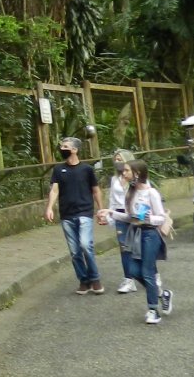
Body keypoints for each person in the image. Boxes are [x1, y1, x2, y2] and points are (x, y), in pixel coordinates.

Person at [101, 159, 173, 324]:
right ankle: (162, 294)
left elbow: (161, 218)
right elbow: (129, 217)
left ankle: (153, 310)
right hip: (135, 234)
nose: (123, 173)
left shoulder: (151, 193)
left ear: (137, 173)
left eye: (126, 170)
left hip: (150, 235)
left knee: (147, 271)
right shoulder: (131, 193)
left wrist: (149, 218)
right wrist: (110, 212)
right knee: (133, 270)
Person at [45, 136, 104, 295]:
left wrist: (101, 209)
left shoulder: (87, 170)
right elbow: (54, 190)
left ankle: (95, 278)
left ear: (75, 150)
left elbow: (96, 190)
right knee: (74, 251)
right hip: (66, 214)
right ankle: (84, 280)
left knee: (85, 245)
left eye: (66, 146)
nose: (62, 149)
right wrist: (50, 207)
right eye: (62, 146)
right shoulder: (58, 169)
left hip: (84, 212)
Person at [104, 151, 139, 294]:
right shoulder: (114, 179)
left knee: (141, 246)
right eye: (116, 160)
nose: (117, 162)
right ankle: (129, 280)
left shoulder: (137, 178)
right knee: (124, 248)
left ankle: (153, 275)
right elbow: (112, 199)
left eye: (120, 159)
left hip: (136, 214)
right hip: (119, 215)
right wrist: (109, 216)